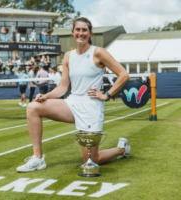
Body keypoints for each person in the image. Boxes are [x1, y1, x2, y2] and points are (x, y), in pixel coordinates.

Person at [16, 17, 131, 173]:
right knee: (33, 107)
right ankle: (38, 158)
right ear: (73, 33)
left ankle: (121, 149)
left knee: (91, 160)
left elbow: (123, 75)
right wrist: (46, 96)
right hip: (71, 103)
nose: (81, 33)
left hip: (91, 107)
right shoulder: (69, 56)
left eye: (84, 30)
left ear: (90, 33)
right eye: (78, 30)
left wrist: (106, 95)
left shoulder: (98, 52)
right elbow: (63, 87)